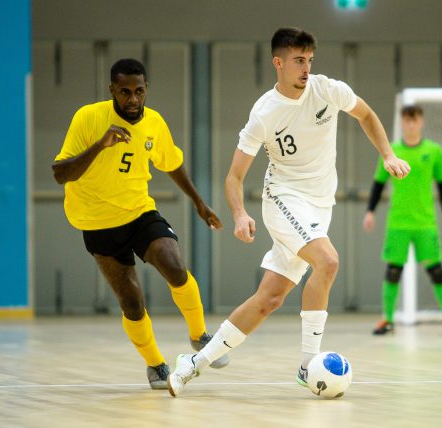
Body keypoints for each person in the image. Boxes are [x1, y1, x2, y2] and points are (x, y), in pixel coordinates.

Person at [166, 27, 410, 397]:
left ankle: (193, 363)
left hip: (319, 205)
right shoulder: (265, 112)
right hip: (283, 198)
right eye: (298, 61)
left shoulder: (328, 89)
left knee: (269, 299)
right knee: (327, 261)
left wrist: (388, 154)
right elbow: (234, 176)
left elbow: (367, 114)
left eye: (310, 60)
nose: (306, 68)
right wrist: (239, 214)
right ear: (278, 63)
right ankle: (307, 365)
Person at [52, 58, 229, 390]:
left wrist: (199, 202)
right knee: (132, 302)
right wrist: (99, 145)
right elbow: (61, 173)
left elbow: (172, 163)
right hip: (97, 222)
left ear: (146, 90)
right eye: (124, 92)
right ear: (112, 90)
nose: (132, 99)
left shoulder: (153, 123)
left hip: (138, 212)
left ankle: (200, 336)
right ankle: (155, 365)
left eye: (139, 91)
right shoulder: (88, 118)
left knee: (175, 266)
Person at [363, 105, 442, 336]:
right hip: (398, 222)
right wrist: (370, 211)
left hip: (425, 223)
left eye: (414, 120)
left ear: (421, 122)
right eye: (406, 120)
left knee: (436, 271)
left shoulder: (434, 151)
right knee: (393, 271)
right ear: (401, 122)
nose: (410, 124)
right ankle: (387, 320)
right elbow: (378, 184)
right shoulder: (391, 151)